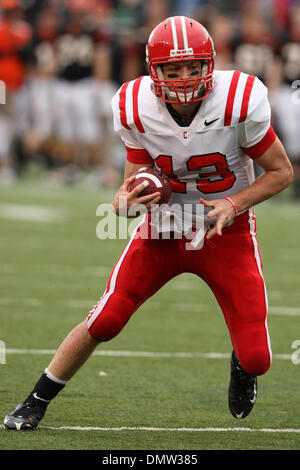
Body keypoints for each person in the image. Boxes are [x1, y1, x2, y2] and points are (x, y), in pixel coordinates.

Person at [4, 16, 293, 430]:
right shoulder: (136, 107)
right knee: (105, 320)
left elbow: (281, 172)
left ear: (210, 64)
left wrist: (234, 203)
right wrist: (124, 202)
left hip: (225, 230)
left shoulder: (239, 100)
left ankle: (241, 366)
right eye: (172, 69)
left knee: (258, 358)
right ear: (152, 70)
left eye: (193, 66)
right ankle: (35, 401)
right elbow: (130, 189)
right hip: (164, 227)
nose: (184, 77)